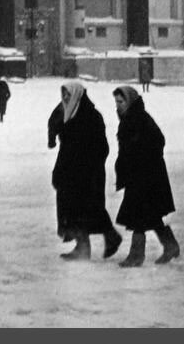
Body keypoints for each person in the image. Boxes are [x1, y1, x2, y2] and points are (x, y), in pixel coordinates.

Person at [47, 81, 122, 261]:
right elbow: (54, 123)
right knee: (75, 210)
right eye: (63, 94)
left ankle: (108, 237)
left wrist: (86, 165)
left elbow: (101, 147)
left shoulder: (91, 115)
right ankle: (84, 247)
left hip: (87, 172)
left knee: (88, 208)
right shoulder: (66, 112)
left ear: (77, 94)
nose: (65, 98)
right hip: (69, 170)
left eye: (68, 94)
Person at [112, 85, 179, 267]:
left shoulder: (140, 118)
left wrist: (142, 157)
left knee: (138, 216)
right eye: (116, 102)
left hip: (147, 175)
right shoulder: (128, 119)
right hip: (139, 175)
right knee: (149, 214)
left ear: (130, 101)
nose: (118, 106)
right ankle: (170, 245)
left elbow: (159, 140)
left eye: (121, 101)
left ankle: (136, 256)